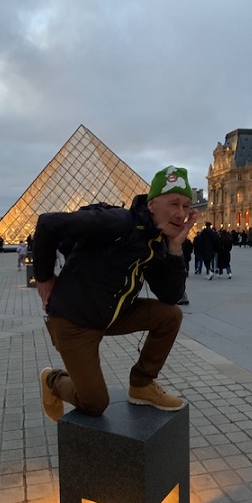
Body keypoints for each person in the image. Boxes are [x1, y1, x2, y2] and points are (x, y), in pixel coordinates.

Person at [33, 165, 196, 421]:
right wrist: (43, 278)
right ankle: (53, 379)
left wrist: (175, 249)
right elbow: (47, 223)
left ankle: (142, 384)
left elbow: (170, 296)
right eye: (174, 203)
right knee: (95, 403)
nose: (181, 213)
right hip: (74, 322)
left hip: (112, 314)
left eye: (186, 206)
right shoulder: (118, 222)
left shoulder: (156, 242)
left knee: (171, 315)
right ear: (152, 204)